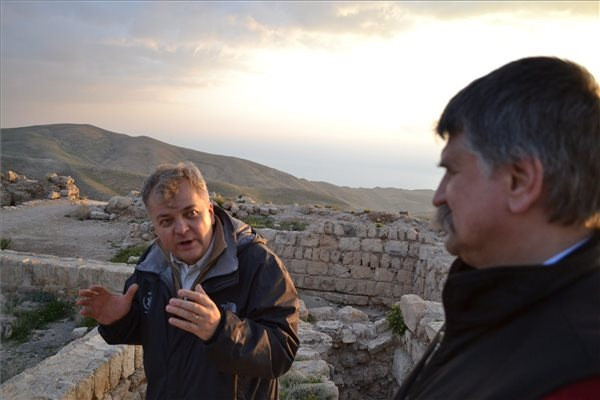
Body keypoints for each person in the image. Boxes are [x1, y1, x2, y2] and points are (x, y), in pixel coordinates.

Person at [395, 57, 600, 399]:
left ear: (520, 182)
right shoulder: (495, 300)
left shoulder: (577, 380)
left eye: (453, 172)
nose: (438, 196)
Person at [78, 162, 299, 399]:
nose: (182, 229)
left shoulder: (258, 265)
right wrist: (120, 320)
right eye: (166, 221)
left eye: (191, 214)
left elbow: (281, 352)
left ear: (210, 212)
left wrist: (220, 330)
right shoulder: (152, 266)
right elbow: (154, 333)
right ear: (155, 227)